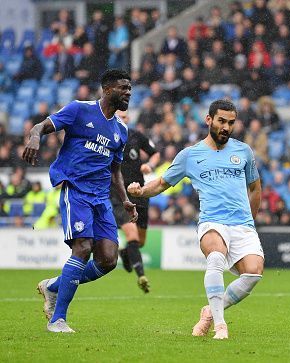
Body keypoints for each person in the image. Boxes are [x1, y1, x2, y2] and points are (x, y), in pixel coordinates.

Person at [127, 99, 263, 340]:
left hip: (242, 225)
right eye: (221, 121)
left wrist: (250, 221)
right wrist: (140, 191)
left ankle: (209, 312)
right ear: (209, 120)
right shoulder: (190, 155)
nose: (226, 127)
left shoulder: (243, 151)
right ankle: (220, 326)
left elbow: (255, 188)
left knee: (253, 274)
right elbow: (161, 183)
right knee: (216, 258)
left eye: (231, 123)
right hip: (212, 222)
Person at [22, 69, 137, 333]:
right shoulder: (79, 110)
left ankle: (53, 287)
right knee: (83, 248)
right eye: (124, 88)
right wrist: (35, 136)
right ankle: (57, 320)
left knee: (108, 260)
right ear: (108, 90)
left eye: (130, 89)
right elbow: (42, 125)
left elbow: (115, 170)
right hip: (76, 190)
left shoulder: (121, 130)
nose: (128, 93)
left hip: (101, 198)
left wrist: (126, 200)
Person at [111, 111, 160, 293]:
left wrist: (150, 166)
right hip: (118, 195)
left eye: (124, 117)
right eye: (118, 118)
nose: (122, 120)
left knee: (140, 241)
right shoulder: (105, 138)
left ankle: (125, 253)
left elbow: (154, 154)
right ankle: (141, 275)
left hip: (139, 192)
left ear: (128, 118)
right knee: (131, 235)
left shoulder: (136, 136)